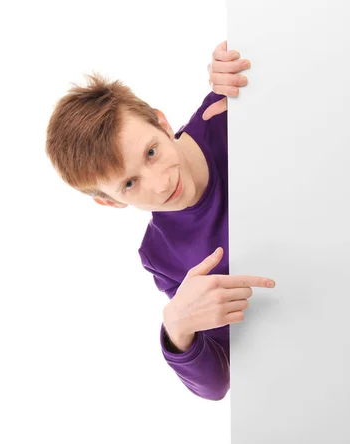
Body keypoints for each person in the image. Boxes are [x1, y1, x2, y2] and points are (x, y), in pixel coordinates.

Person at [45, 41, 276, 401]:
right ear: (110, 202)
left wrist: (254, 58)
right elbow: (219, 382)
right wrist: (178, 327)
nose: (161, 184)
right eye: (129, 184)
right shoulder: (160, 255)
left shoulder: (227, 111)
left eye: (151, 152)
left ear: (162, 121)